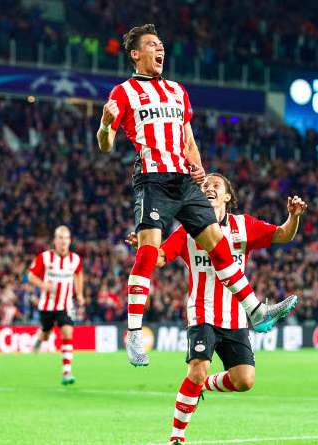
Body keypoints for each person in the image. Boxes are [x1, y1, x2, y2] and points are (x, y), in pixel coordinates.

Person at [97, 23, 297, 367]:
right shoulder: (123, 92)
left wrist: (199, 168)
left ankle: (255, 311)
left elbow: (188, 138)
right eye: (152, 45)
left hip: (184, 180)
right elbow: (105, 144)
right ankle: (133, 333)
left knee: (218, 244)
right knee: (148, 250)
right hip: (153, 179)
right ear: (135, 54)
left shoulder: (177, 91)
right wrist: (104, 123)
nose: (160, 49)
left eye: (161, 44)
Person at [128, 173, 307, 444]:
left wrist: (293, 217)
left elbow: (282, 234)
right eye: (204, 185)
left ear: (227, 196)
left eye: (215, 185)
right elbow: (162, 257)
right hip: (202, 312)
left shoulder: (243, 225)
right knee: (197, 369)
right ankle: (177, 436)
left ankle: (204, 384)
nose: (208, 188)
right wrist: (147, 249)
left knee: (244, 381)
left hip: (235, 317)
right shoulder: (187, 231)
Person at [28, 226, 84, 385]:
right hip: (47, 306)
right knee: (46, 334)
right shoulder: (44, 258)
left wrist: (80, 294)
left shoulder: (75, 259)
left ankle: (67, 372)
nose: (63, 241)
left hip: (65, 305)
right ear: (55, 241)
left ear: (69, 241)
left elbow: (78, 275)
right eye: (60, 238)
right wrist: (42, 284)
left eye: (66, 238)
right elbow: (31, 276)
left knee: (67, 333)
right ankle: (40, 337)